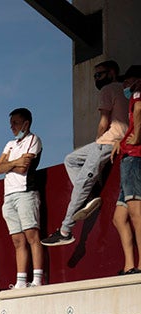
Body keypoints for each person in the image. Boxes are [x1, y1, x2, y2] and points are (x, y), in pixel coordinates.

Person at [44, 60, 130, 246]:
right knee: (71, 159)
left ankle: (65, 230)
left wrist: (98, 144)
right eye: (95, 76)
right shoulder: (127, 89)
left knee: (82, 181)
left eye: (100, 75)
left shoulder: (108, 90)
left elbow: (103, 123)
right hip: (115, 140)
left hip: (107, 142)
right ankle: (89, 196)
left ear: (112, 73)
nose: (96, 79)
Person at [0, 107, 45, 288]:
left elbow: (24, 167)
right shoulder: (9, 144)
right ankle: (21, 281)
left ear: (26, 123)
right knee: (17, 240)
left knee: (32, 235)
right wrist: (14, 163)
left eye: (15, 123)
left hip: (26, 192)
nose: (12, 127)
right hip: (8, 196)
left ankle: (38, 279)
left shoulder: (34, 139)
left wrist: (9, 164)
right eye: (11, 124)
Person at [114, 65, 141, 275]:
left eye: (127, 81)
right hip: (128, 158)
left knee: (136, 213)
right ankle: (129, 265)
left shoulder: (138, 94)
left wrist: (137, 136)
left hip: (134, 158)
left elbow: (139, 110)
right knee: (119, 217)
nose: (125, 85)